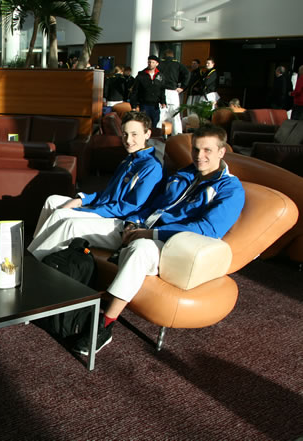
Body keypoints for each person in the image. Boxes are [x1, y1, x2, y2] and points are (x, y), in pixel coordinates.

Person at [71, 125, 245, 355]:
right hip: (145, 229)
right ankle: (53, 291)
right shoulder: (185, 174)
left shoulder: (230, 189)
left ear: (221, 152)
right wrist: (133, 222)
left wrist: (151, 234)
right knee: (75, 225)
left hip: (177, 245)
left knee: (140, 249)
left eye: (207, 150)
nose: (199, 156)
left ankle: (106, 324)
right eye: (195, 149)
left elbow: (206, 229)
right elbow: (154, 205)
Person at [27, 112, 166, 261]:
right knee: (52, 200)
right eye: (125, 134)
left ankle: (32, 260)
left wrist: (86, 210)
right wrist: (82, 200)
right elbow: (109, 193)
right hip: (107, 209)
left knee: (61, 215)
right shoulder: (129, 159)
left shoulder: (151, 167)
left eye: (134, 134)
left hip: (120, 220)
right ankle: (34, 248)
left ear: (147, 134)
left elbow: (129, 208)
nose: (128, 140)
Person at [158, 49, 190, 135]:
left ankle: (157, 136)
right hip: (173, 92)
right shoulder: (177, 64)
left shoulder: (159, 64)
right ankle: (177, 136)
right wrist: (183, 87)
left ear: (164, 56)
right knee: (175, 117)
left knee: (160, 116)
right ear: (173, 56)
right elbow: (187, 73)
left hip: (161, 91)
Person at [130, 55, 167, 126]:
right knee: (144, 124)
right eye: (149, 62)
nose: (151, 64)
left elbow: (162, 90)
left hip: (155, 105)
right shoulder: (141, 75)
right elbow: (135, 91)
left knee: (154, 124)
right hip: (144, 104)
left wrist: (163, 101)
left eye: (153, 62)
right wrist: (133, 106)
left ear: (157, 64)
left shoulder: (160, 76)